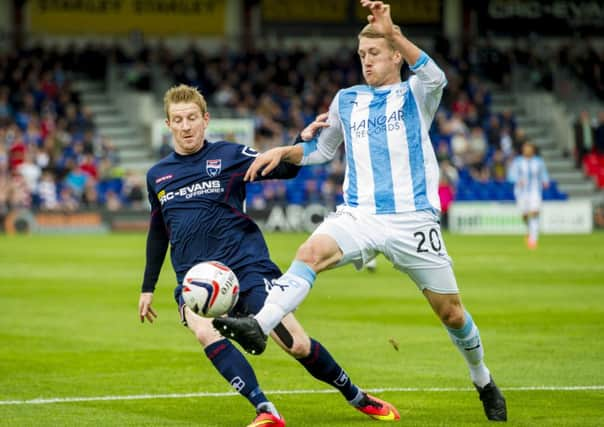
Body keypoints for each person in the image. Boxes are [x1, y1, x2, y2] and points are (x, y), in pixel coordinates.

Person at [213, 1, 507, 422]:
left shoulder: (416, 94)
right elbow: (321, 150)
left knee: (451, 312)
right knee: (309, 254)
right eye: (362, 55)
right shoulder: (347, 100)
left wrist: (394, 32)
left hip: (413, 219)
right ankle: (258, 326)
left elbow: (436, 75)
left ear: (393, 56)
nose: (366, 62)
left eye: (374, 54)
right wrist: (284, 149)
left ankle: (483, 380)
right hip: (359, 214)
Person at [138, 84, 400, 427]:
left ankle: (357, 396)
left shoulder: (229, 155)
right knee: (205, 331)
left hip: (246, 267)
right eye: (177, 120)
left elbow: (284, 168)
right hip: (196, 279)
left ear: (206, 120)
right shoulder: (157, 175)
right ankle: (265, 410)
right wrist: (148, 287)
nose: (185, 126)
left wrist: (298, 141)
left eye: (191, 118)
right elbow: (159, 231)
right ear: (168, 124)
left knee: (298, 345)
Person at [507, 141, 550, 249]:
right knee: (525, 215)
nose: (527, 151)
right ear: (523, 150)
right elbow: (511, 176)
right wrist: (518, 180)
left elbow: (544, 173)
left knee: (535, 213)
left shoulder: (538, 162)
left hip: (535, 191)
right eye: (526, 149)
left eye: (529, 149)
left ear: (533, 150)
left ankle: (533, 239)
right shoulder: (518, 162)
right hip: (521, 192)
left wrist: (545, 181)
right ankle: (529, 230)